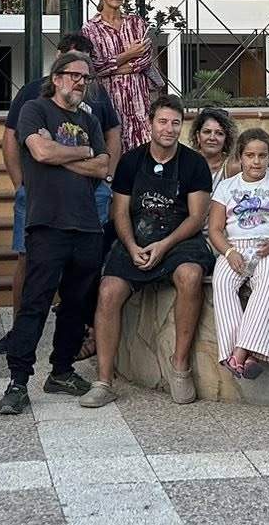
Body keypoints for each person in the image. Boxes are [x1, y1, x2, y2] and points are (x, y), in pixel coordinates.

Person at [81, 94, 213, 408]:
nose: (169, 129)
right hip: (137, 238)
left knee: (191, 275)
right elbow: (120, 212)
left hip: (179, 241)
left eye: (175, 123)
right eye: (163, 121)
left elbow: (196, 217)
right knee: (108, 290)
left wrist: (164, 245)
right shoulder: (130, 162)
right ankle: (104, 381)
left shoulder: (194, 164)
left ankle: (179, 367)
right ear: (150, 123)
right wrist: (131, 246)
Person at [0, 33, 121, 356]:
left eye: (85, 68)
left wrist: (104, 175)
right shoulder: (32, 97)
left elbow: (110, 140)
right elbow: (16, 141)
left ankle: (79, 338)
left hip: (89, 198)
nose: (80, 77)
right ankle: (19, 334)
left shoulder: (97, 97)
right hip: (38, 197)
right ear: (57, 64)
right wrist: (20, 183)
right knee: (29, 262)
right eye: (71, 63)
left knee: (84, 273)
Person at [207, 129, 269, 379]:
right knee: (222, 281)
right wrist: (228, 252)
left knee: (268, 282)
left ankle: (238, 353)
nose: (256, 161)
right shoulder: (226, 187)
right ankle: (244, 355)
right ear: (240, 157)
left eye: (262, 155)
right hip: (235, 247)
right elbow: (215, 229)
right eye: (250, 155)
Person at [82, 0, 160, 164]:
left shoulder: (137, 23)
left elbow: (145, 60)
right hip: (110, 103)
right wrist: (129, 54)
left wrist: (113, 66)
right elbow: (94, 67)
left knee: (143, 158)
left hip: (140, 105)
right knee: (113, 156)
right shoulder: (90, 29)